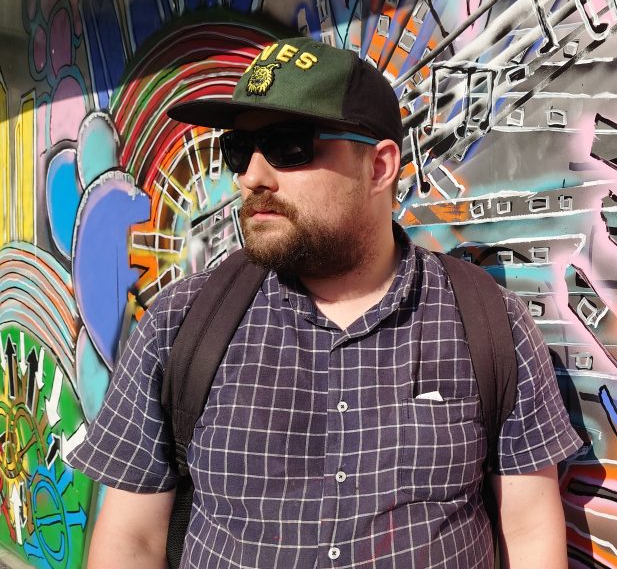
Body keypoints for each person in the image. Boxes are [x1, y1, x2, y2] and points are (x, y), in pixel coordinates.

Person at [67, 36, 582, 568]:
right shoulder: (181, 324)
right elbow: (131, 540)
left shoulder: (488, 323)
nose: (251, 177)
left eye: (289, 146)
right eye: (239, 150)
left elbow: (528, 531)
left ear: (379, 168)